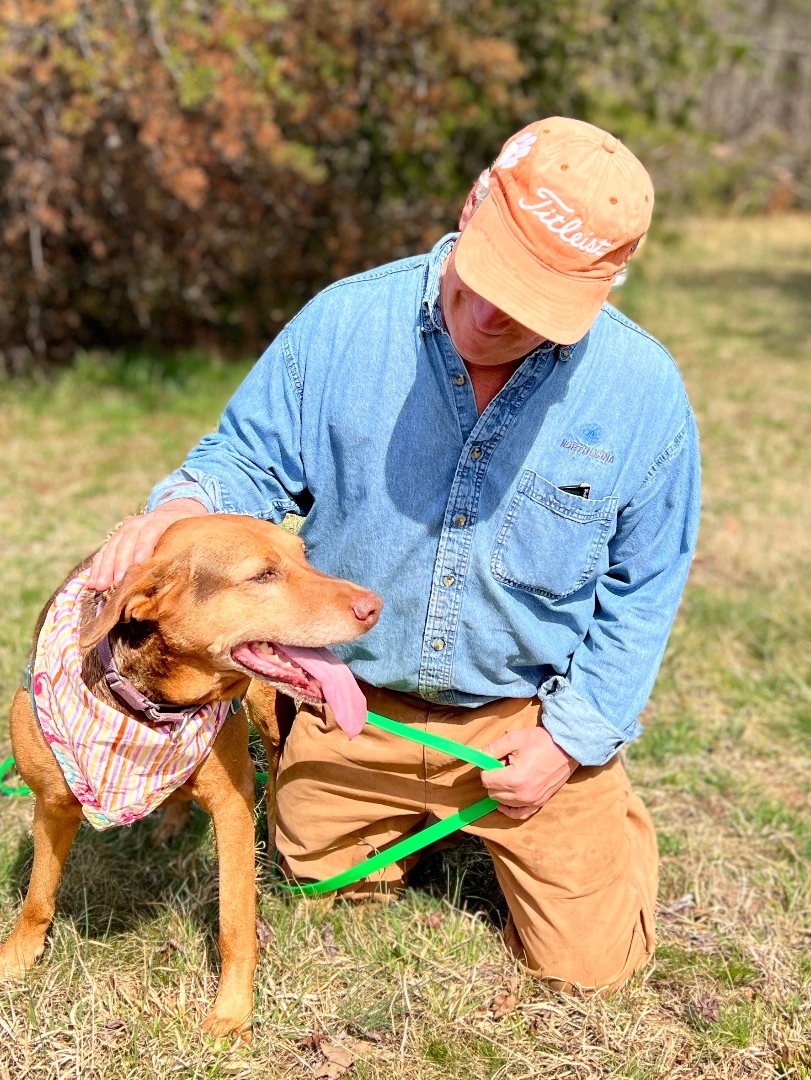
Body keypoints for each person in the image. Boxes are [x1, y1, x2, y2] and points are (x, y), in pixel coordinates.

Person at [89, 117, 700, 992]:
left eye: (532, 305)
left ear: (606, 287)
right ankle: (342, 776)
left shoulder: (644, 394)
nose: (490, 316)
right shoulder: (343, 324)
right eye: (489, 275)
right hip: (356, 702)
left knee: (592, 970)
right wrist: (183, 509)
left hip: (524, 720)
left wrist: (569, 742)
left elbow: (645, 591)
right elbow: (246, 461)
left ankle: (559, 823)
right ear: (474, 200)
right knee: (321, 884)